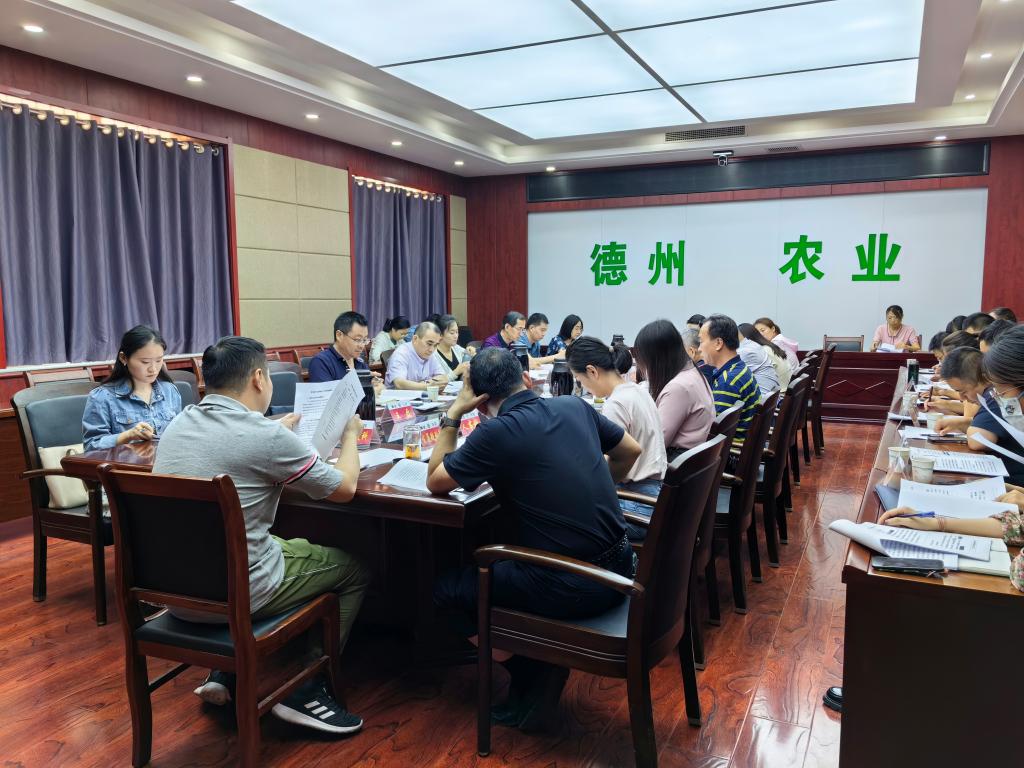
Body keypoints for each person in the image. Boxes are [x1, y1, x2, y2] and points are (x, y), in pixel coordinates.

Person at [154, 336, 369, 734]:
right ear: (258, 378)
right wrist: (351, 435)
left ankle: (225, 671)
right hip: (238, 595)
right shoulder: (266, 438)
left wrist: (272, 429)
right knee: (354, 568)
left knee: (279, 545)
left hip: (174, 592)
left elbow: (229, 445)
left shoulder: (179, 423)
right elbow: (344, 489)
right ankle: (308, 687)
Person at [427, 348, 641, 729]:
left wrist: (454, 413)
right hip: (623, 567)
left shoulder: (494, 432)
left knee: (447, 591)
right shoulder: (573, 406)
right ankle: (536, 658)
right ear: (526, 379)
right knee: (504, 560)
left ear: (480, 402)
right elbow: (630, 450)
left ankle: (532, 671)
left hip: (573, 585)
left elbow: (435, 480)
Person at [567, 337, 667, 525]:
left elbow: (611, 464)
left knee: (570, 514)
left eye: (579, 379)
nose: (582, 386)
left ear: (592, 371)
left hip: (638, 502)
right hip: (655, 494)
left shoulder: (616, 403)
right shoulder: (637, 390)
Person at [82, 324, 183, 451]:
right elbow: (91, 446)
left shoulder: (170, 391)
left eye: (158, 360)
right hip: (125, 463)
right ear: (123, 358)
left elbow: (179, 435)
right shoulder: (102, 398)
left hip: (166, 462)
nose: (153, 369)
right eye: (145, 362)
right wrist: (127, 436)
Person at [933, 347, 1024, 484]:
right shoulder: (999, 391)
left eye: (963, 391)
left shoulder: (995, 394)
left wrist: (966, 422)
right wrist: (965, 422)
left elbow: (977, 441)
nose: (997, 394)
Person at [634, 320, 714, 458]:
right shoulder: (692, 372)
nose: (644, 368)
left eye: (644, 361)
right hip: (693, 460)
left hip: (678, 463)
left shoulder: (678, 388)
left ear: (657, 359)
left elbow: (655, 445)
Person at [698, 315, 760, 442]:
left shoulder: (728, 382)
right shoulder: (739, 368)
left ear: (718, 343)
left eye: (701, 341)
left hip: (731, 451)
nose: (699, 348)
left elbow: (713, 434)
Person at [308, 311, 383, 394]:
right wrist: (368, 392)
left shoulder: (360, 362)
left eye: (365, 340)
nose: (362, 345)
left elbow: (373, 388)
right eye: (357, 340)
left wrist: (375, 385)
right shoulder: (321, 362)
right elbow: (326, 398)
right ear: (339, 335)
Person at [385, 322, 448, 390]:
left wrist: (426, 383)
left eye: (435, 345)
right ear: (415, 339)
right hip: (399, 396)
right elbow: (399, 383)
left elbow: (443, 378)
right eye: (429, 344)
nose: (432, 350)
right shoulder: (401, 353)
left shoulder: (430, 354)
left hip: (422, 395)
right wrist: (427, 386)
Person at [739, 322, 791, 391]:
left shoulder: (762, 351)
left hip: (779, 392)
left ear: (746, 338)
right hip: (780, 389)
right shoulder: (769, 346)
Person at [736, 324, 779, 399]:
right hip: (771, 397)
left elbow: (731, 380)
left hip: (762, 401)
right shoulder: (756, 346)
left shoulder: (747, 351)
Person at [434, 314, 471, 381]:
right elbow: (437, 381)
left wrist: (472, 352)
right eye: (452, 333)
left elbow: (470, 355)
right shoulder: (433, 354)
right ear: (440, 334)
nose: (456, 336)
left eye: (457, 332)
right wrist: (456, 372)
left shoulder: (457, 348)